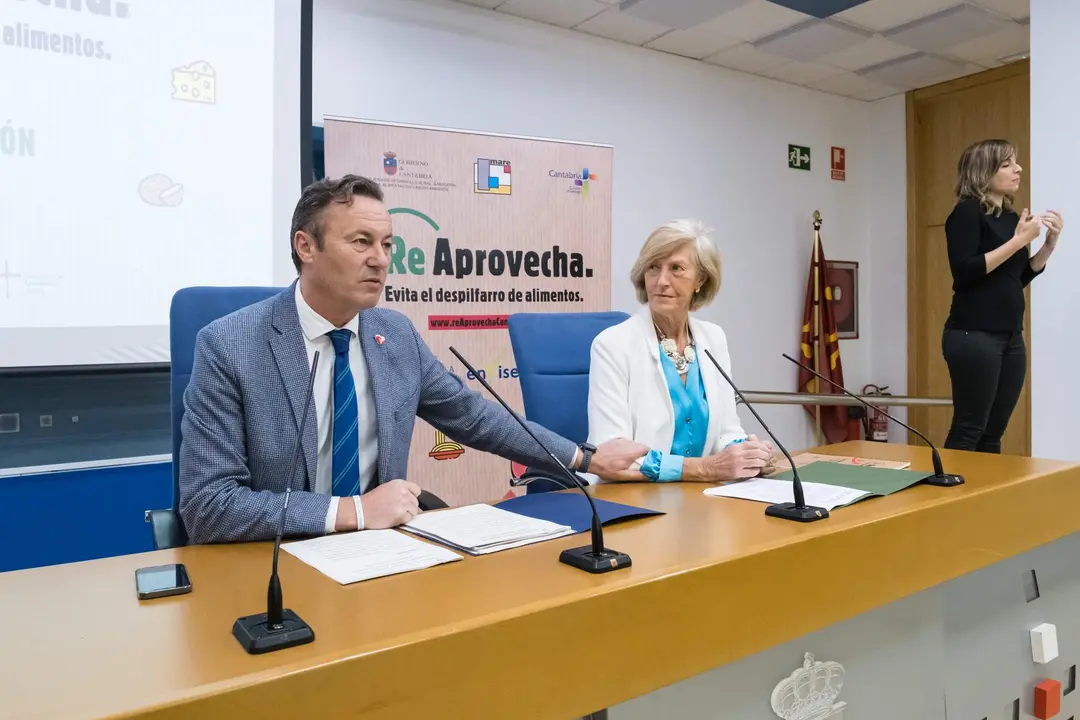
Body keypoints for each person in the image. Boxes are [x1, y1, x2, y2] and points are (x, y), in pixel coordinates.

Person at [178, 175, 647, 543]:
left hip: (381, 553)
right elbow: (208, 506)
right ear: (306, 247)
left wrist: (585, 457)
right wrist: (355, 512)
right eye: (361, 242)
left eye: (387, 245)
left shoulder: (394, 334)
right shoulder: (229, 345)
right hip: (276, 561)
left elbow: (474, 417)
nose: (381, 260)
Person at [586, 219, 773, 484]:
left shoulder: (713, 338)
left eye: (676, 269)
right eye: (653, 268)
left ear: (701, 280)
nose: (662, 281)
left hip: (700, 499)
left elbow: (726, 433)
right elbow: (612, 456)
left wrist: (747, 454)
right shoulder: (612, 344)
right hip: (631, 500)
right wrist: (704, 469)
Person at [942, 139, 1063, 453]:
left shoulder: (1011, 219)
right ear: (984, 172)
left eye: (1016, 162)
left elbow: (1015, 278)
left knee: (993, 433)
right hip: (973, 334)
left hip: (1010, 337)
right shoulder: (966, 214)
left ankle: (983, 500)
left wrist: (1047, 245)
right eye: (1007, 164)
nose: (1018, 169)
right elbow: (965, 272)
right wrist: (1018, 241)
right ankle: (953, 499)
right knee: (969, 429)